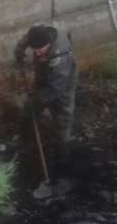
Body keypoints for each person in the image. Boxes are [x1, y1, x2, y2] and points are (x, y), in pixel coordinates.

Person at [14, 25, 78, 159]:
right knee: (32, 105)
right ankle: (26, 137)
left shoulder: (60, 59)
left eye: (39, 50)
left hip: (63, 84)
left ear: (48, 44)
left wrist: (36, 100)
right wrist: (19, 51)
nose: (36, 54)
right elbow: (26, 39)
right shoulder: (40, 34)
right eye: (34, 50)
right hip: (45, 72)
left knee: (63, 114)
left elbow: (55, 89)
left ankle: (63, 148)